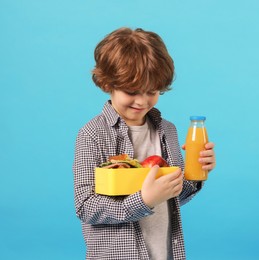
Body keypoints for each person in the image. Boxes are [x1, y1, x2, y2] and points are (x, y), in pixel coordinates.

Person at [73, 27, 216, 260]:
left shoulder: (166, 130)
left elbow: (172, 196)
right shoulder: (92, 134)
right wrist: (143, 201)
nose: (142, 101)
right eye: (132, 91)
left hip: (165, 252)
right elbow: (85, 207)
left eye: (152, 91)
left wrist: (196, 173)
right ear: (107, 83)